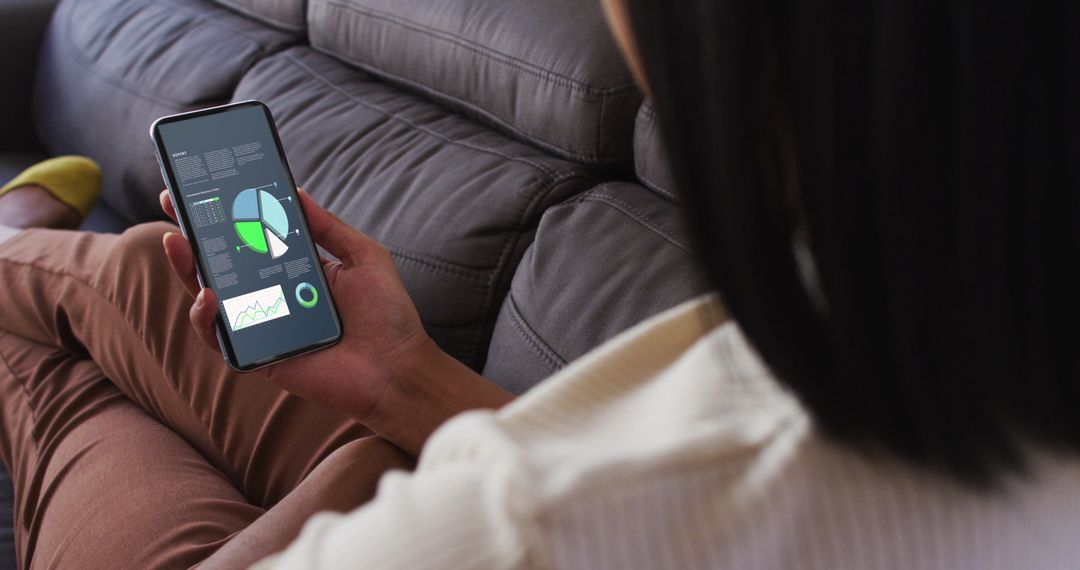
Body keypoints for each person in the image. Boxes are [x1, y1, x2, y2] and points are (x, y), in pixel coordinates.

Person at [2, 0, 1079, 567]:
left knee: (51, 383)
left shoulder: (535, 525)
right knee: (149, 271)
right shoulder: (915, 313)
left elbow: (600, 505)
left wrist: (466, 471)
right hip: (436, 455)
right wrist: (408, 381)